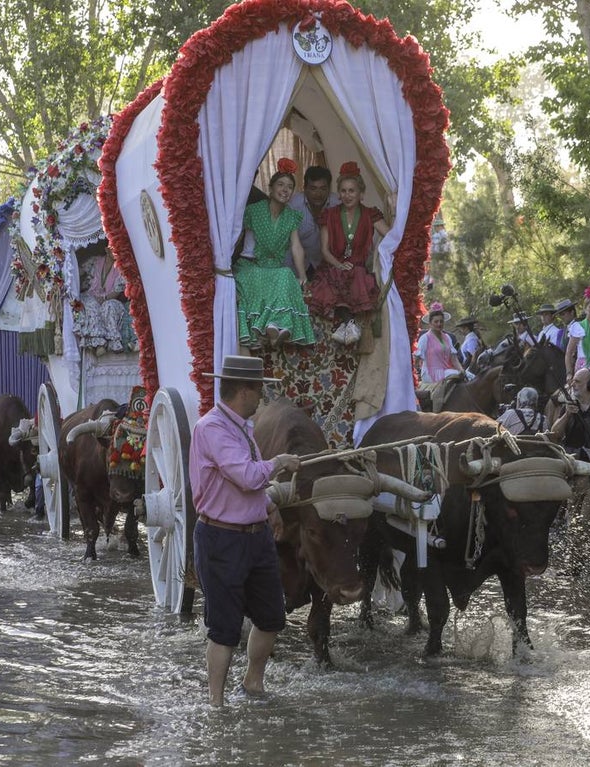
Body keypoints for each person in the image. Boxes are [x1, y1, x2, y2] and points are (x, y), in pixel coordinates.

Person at [189, 355, 300, 707]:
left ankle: (253, 682)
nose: (261, 398)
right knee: (224, 628)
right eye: (258, 390)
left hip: (255, 536)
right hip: (222, 539)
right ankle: (216, 703)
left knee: (271, 617)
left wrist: (269, 507)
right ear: (244, 391)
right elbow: (248, 476)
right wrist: (280, 462)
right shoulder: (212, 429)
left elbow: (250, 486)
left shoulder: (243, 427)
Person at [235, 158, 315, 347]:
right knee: (257, 276)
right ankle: (271, 331)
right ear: (270, 189)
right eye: (280, 185)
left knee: (287, 274)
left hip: (273, 267)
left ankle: (276, 327)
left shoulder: (291, 217)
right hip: (250, 266)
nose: (285, 190)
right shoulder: (252, 211)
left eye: (289, 187)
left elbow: (296, 246)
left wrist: (303, 276)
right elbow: (236, 238)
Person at [307, 163, 389, 345]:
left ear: (361, 193)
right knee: (338, 276)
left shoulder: (370, 214)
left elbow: (391, 236)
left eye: (352, 191)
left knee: (358, 274)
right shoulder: (329, 215)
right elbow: (324, 250)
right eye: (343, 191)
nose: (347, 195)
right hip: (332, 265)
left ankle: (348, 325)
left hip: (358, 268)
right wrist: (338, 264)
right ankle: (349, 323)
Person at [287, 165, 338, 274]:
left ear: (329, 188)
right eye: (313, 188)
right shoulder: (294, 206)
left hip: (331, 265)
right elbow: (286, 245)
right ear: (305, 188)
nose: (318, 194)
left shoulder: (338, 205)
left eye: (323, 189)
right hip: (300, 265)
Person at [415, 303, 465, 385]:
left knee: (469, 376)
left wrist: (461, 370)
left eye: (441, 321)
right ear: (430, 323)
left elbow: (453, 358)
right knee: (454, 374)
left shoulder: (447, 337)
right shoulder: (425, 338)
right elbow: (417, 358)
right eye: (436, 321)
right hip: (430, 373)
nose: (439, 324)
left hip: (446, 370)